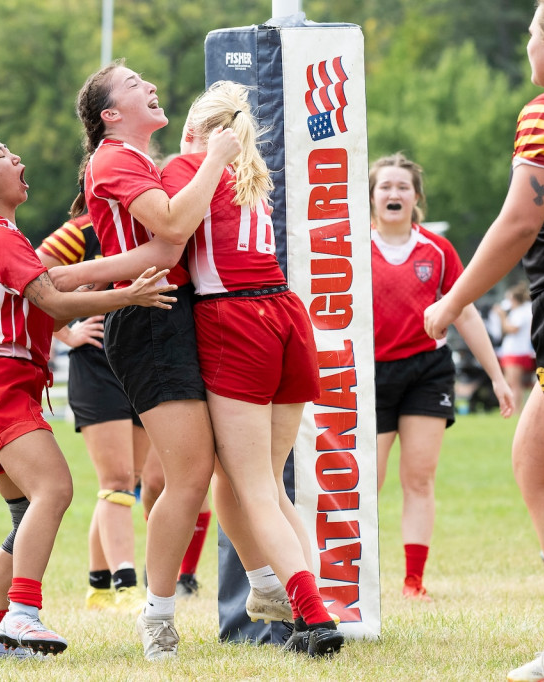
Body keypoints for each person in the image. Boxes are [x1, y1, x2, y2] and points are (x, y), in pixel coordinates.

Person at [423, 2, 544, 679]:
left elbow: (516, 224)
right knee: (538, 467)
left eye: (534, 33)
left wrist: (452, 300)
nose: (530, 45)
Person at [0, 128, 177, 658]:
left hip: (1, 384)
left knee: (28, 515)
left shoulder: (0, 232)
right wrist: (128, 295)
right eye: (2, 155)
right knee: (56, 490)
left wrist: (101, 289)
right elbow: (53, 303)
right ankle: (23, 614)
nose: (16, 157)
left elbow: (51, 292)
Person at [62, 59, 241, 661]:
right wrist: (216, 158)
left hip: (172, 310)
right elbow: (169, 234)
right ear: (111, 115)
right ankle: (157, 612)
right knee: (178, 477)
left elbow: (165, 242)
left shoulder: (143, 163)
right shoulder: (113, 159)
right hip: (150, 320)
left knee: (194, 474)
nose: (152, 86)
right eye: (136, 84)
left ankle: (270, 587)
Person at [160, 80, 343, 656]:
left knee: (253, 486)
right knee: (265, 484)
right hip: (287, 312)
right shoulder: (253, 177)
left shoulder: (187, 165)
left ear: (197, 131)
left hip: (235, 317)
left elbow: (166, 229)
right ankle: (309, 608)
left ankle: (312, 618)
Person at [370, 153, 514, 601]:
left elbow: (466, 312)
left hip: (426, 371)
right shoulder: (350, 247)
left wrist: (497, 376)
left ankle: (414, 581)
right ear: (371, 196)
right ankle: (353, 578)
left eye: (403, 187)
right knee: (366, 481)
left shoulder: (437, 250)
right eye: (385, 186)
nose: (394, 194)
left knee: (419, 477)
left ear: (417, 198)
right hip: (368, 375)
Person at [37, 214, 151, 615]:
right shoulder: (83, 229)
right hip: (97, 365)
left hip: (145, 360)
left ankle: (98, 587)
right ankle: (127, 585)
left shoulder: (154, 222)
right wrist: (66, 332)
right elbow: (33, 275)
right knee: (117, 481)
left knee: (128, 482)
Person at [494, 281, 536, 402]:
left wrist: (502, 316)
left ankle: (516, 410)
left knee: (515, 383)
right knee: (511, 382)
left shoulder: (522, 311)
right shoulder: (519, 311)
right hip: (513, 351)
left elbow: (512, 329)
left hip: (517, 352)